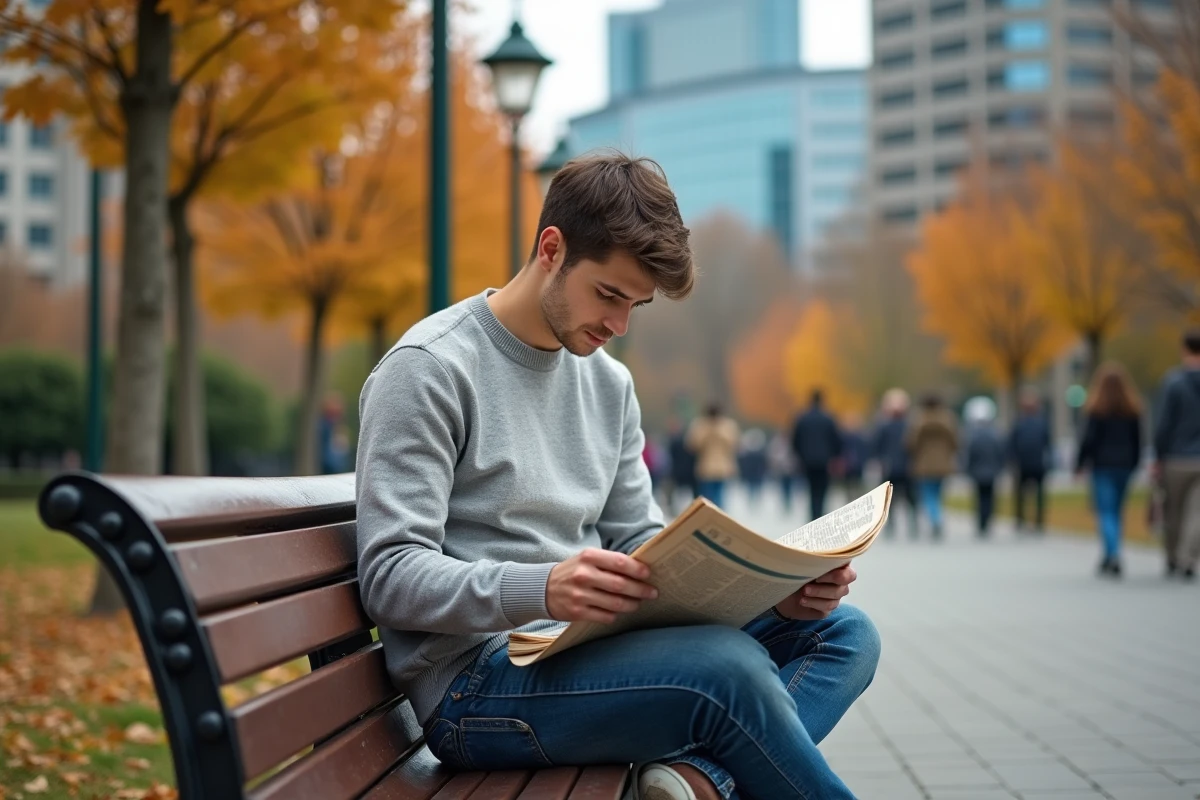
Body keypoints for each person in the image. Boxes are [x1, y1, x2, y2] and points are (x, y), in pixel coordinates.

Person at [355, 153, 879, 800]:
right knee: (728, 671)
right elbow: (389, 576)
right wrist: (543, 588)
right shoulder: (429, 371)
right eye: (608, 295)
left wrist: (773, 596)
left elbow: (636, 537)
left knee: (842, 633)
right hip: (475, 688)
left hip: (584, 647)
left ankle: (699, 786)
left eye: (636, 305)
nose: (618, 326)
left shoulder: (608, 383)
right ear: (552, 248)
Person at [1075, 362, 1143, 577]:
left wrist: (1080, 464)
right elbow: (1138, 441)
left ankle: (1112, 554)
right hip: (1124, 466)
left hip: (1103, 465)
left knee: (1106, 511)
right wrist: (1135, 463)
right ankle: (1110, 553)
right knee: (1116, 511)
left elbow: (1088, 440)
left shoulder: (1097, 410)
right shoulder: (1132, 410)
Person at [1153, 329, 1200, 580]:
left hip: (1176, 457)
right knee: (1197, 512)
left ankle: (1173, 556)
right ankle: (1189, 558)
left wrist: (1159, 455)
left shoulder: (1173, 382)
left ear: (1184, 350)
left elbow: (1164, 424)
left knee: (1173, 511)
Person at [906, 393, 959, 540]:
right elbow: (956, 442)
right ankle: (938, 517)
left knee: (928, 494)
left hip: (924, 464)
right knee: (938, 493)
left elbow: (911, 443)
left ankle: (935, 519)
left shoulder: (919, 420)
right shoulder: (948, 419)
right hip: (943, 464)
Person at [871, 389, 918, 538]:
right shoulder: (910, 425)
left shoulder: (884, 425)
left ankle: (891, 525)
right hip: (907, 466)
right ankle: (913, 524)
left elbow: (877, 446)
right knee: (910, 498)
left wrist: (879, 460)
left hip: (890, 466)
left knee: (889, 499)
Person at [791, 389, 844, 522]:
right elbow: (836, 440)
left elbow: (795, 440)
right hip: (824, 461)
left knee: (811, 489)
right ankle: (819, 514)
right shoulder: (828, 418)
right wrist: (835, 455)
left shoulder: (802, 418)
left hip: (807, 460)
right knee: (822, 489)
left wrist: (800, 455)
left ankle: (812, 515)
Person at [1009, 389, 1052, 534]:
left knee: (1021, 494)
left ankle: (1021, 520)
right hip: (1036, 463)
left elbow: (1012, 444)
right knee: (1038, 494)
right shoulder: (1041, 423)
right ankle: (1037, 522)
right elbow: (1048, 443)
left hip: (1025, 464)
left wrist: (1012, 460)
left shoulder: (1019, 423)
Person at [962, 397, 1005, 537]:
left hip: (978, 472)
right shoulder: (995, 435)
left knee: (980, 498)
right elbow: (1000, 453)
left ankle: (981, 521)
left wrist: (968, 469)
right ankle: (987, 520)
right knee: (990, 497)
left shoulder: (973, 437)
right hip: (991, 471)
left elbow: (970, 455)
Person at [686, 403, 740, 510]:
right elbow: (692, 445)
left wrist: (719, 433)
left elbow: (735, 444)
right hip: (706, 468)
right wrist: (707, 433)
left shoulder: (728, 425)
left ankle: (719, 517)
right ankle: (708, 516)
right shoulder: (700, 425)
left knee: (720, 497)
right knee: (706, 497)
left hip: (723, 468)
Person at [665, 417, 696, 516]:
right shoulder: (686, 440)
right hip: (686, 471)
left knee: (680, 494)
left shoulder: (675, 441)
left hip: (680, 471)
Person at [767, 429, 798, 515]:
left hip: (790, 469)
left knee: (788, 487)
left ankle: (787, 503)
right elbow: (773, 455)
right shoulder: (777, 443)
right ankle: (785, 503)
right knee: (783, 487)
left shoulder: (792, 442)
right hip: (781, 469)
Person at [737, 428, 769, 510]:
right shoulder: (758, 452)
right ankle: (754, 503)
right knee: (754, 489)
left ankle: (754, 503)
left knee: (754, 489)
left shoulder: (750, 452)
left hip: (755, 473)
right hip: (755, 474)